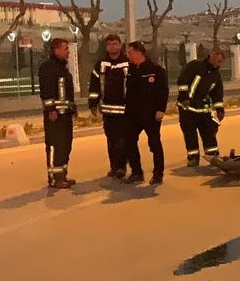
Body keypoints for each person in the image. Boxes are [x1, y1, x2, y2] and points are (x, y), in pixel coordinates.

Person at [123, 41, 169, 185]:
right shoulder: (130, 70)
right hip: (133, 114)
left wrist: (161, 109)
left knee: (154, 143)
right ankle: (136, 172)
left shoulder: (155, 70)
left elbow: (163, 91)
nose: (128, 55)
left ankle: (158, 174)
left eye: (130, 53)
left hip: (151, 114)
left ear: (138, 52)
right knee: (129, 141)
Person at [87, 34, 131, 178]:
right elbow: (94, 85)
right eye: (110, 44)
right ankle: (114, 167)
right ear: (106, 47)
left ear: (120, 45)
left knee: (122, 140)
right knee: (111, 140)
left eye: (115, 43)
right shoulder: (100, 64)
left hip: (125, 110)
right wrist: (93, 103)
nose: (112, 46)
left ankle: (121, 167)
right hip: (107, 109)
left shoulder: (128, 62)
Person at [175, 50, 226, 166]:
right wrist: (184, 97)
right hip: (187, 109)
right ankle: (193, 158)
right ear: (210, 57)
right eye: (216, 60)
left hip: (203, 109)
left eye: (220, 61)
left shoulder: (216, 75)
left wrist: (220, 109)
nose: (218, 63)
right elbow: (183, 81)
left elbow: (217, 94)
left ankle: (213, 156)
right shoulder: (195, 66)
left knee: (209, 133)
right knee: (190, 135)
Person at [38, 37, 77, 189]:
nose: (68, 52)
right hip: (55, 116)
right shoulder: (48, 68)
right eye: (66, 49)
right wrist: (50, 109)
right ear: (57, 50)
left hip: (65, 114)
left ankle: (62, 174)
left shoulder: (62, 68)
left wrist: (72, 108)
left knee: (65, 145)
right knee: (55, 145)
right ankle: (54, 178)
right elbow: (46, 91)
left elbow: (67, 93)